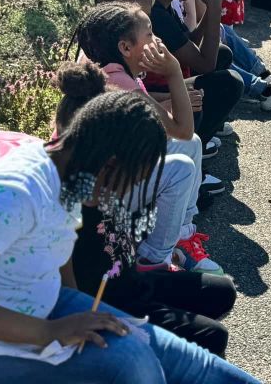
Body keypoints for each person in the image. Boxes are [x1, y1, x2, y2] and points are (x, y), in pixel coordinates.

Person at [0, 86, 260, 382]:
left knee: (188, 361)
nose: (123, 194)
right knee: (132, 362)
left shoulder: (69, 172)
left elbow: (58, 255)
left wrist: (76, 306)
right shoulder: (11, 195)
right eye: (130, 182)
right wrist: (48, 332)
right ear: (109, 165)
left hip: (43, 309)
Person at [47, 63, 238, 357]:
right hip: (110, 306)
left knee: (222, 291)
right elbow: (70, 297)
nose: (141, 182)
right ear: (112, 161)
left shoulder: (105, 181)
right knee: (212, 335)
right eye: (140, 173)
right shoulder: (68, 207)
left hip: (130, 279)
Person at [74, 2, 225, 276]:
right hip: (97, 201)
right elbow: (182, 128)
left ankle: (181, 235)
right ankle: (153, 260)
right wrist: (174, 71)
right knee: (181, 168)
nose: (158, 41)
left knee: (191, 146)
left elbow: (181, 134)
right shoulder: (121, 82)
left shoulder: (112, 70)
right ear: (125, 48)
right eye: (150, 35)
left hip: (110, 180)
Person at [129, 0, 244, 145]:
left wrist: (210, 8)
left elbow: (188, 40)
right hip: (155, 93)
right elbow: (206, 65)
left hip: (168, 78)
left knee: (222, 53)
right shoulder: (156, 15)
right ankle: (198, 142)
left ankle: (204, 127)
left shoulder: (163, 4)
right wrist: (216, 8)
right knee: (230, 82)